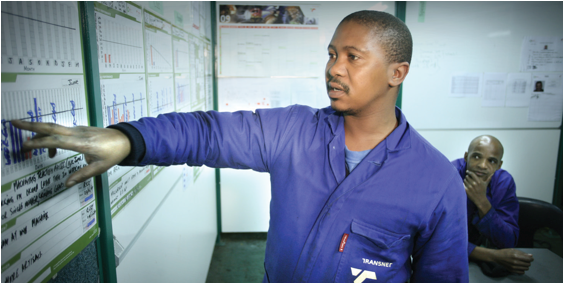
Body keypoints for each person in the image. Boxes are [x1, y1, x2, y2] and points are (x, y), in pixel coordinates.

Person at [12, 11, 469, 282]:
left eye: (352, 57)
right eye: (331, 54)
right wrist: (128, 139)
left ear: (397, 73)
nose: (334, 68)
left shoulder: (435, 180)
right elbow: (210, 133)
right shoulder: (294, 131)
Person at [451, 135, 534, 275]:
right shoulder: (449, 176)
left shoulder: (504, 182)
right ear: (466, 156)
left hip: (475, 259)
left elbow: (508, 241)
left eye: (491, 160)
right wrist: (492, 256)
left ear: (499, 165)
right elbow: (441, 241)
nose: (483, 165)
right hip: (448, 261)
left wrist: (482, 202)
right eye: (476, 156)